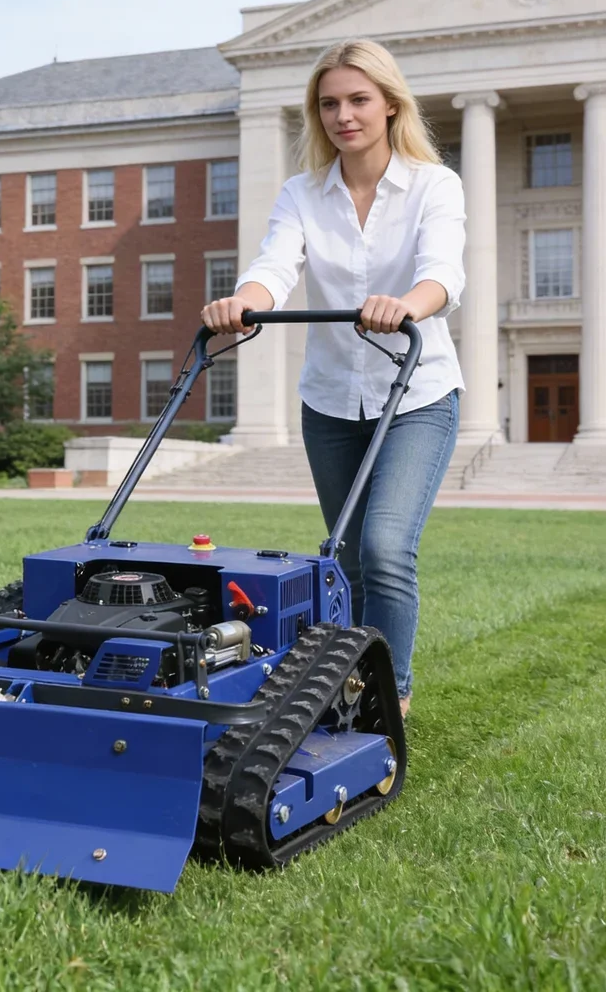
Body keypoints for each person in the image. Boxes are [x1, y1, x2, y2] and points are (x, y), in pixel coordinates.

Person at [201, 39, 465, 720]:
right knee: (344, 560)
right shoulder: (303, 193)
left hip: (417, 394)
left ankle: (390, 697)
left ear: (390, 105)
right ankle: (348, 684)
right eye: (328, 104)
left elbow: (443, 272)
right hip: (330, 400)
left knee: (385, 548)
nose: (343, 115)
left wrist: (407, 305)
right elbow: (275, 264)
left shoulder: (434, 184)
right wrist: (243, 302)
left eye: (358, 100)